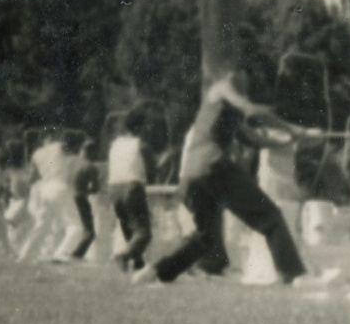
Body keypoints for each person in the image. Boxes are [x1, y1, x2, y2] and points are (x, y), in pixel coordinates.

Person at [138, 70, 318, 288]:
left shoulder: (226, 114)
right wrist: (295, 129)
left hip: (191, 175)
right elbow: (252, 111)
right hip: (213, 165)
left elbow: (253, 138)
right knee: (270, 217)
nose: (244, 86)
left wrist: (291, 140)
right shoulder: (220, 89)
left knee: (205, 237)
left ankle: (155, 272)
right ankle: (295, 275)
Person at [18, 128, 88, 262]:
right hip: (59, 186)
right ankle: (61, 253)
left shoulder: (37, 153)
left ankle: (24, 255)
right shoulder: (59, 147)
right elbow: (74, 147)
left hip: (44, 189)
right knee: (76, 226)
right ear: (51, 136)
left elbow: (32, 177)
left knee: (42, 225)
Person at [104, 111, 153, 273]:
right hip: (132, 186)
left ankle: (137, 263)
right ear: (140, 127)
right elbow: (151, 168)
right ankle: (124, 255)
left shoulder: (115, 144)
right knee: (144, 232)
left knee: (128, 227)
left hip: (113, 187)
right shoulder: (140, 144)